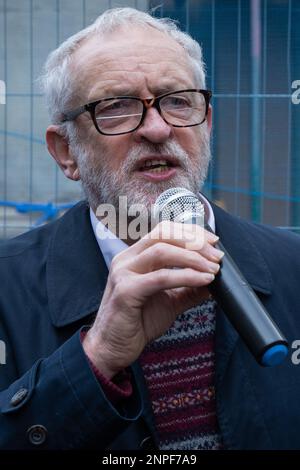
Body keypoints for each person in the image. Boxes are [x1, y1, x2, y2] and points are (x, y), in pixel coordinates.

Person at [0, 7, 300, 451]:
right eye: (116, 107)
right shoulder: (7, 287)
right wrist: (96, 358)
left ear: (207, 124)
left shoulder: (293, 265)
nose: (158, 129)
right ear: (66, 151)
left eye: (178, 101)